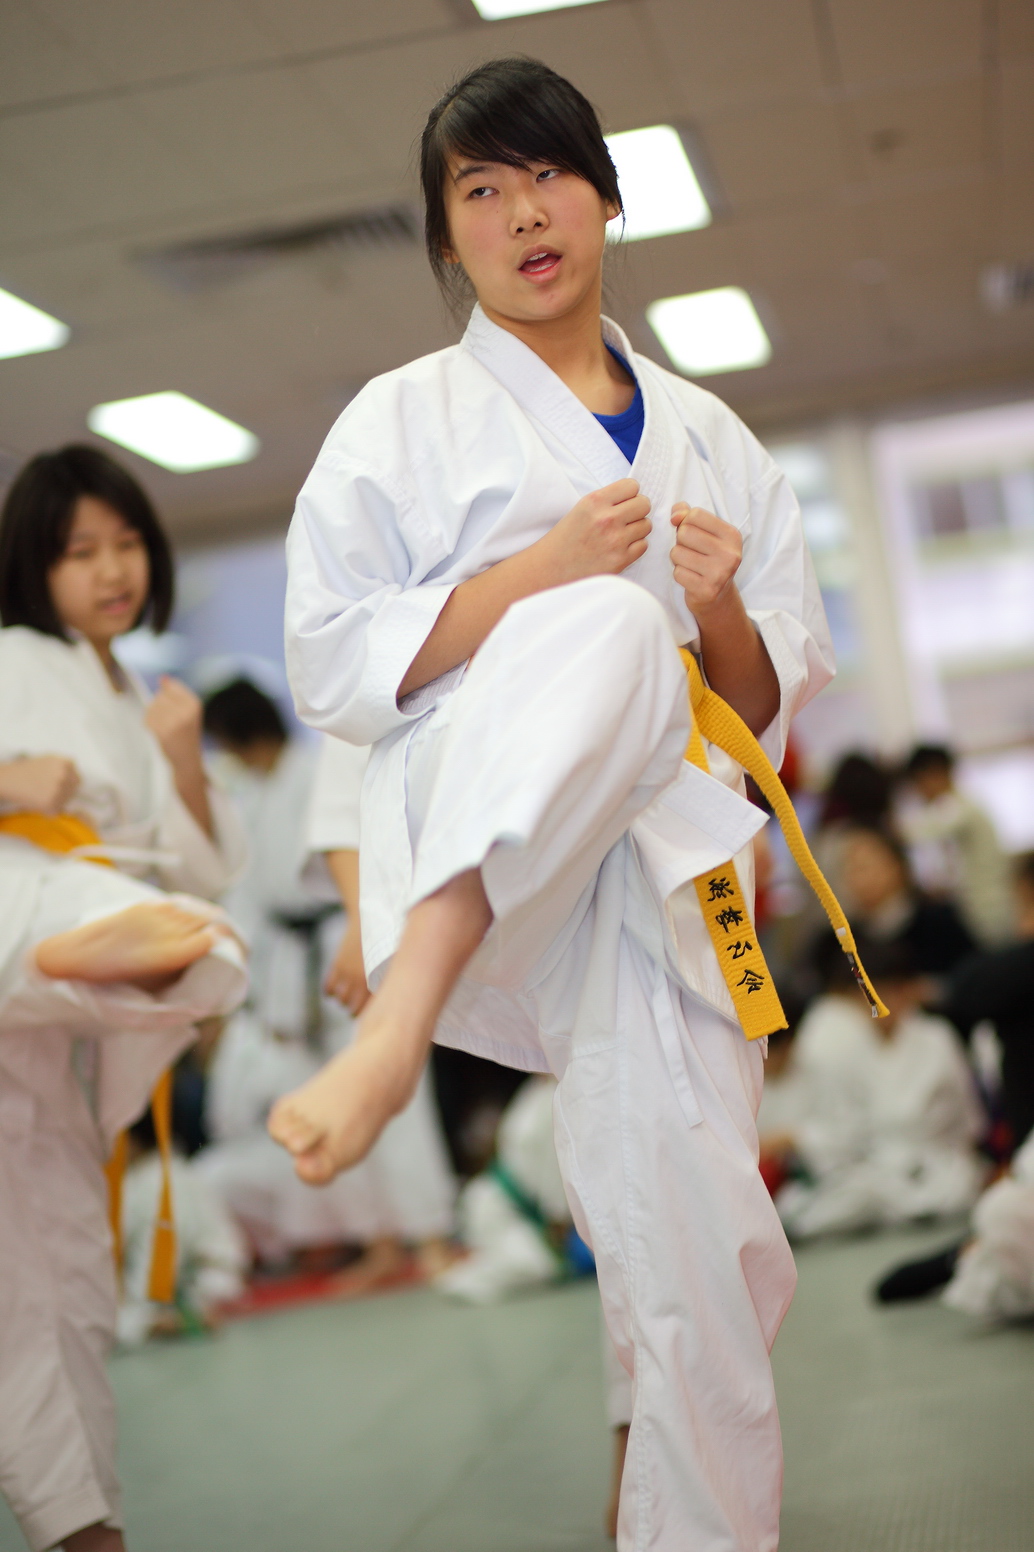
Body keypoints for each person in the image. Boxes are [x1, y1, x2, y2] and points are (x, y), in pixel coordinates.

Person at [271, 58, 835, 1551]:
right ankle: (399, 1018)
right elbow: (329, 660)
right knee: (600, 628)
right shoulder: (398, 421)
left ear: (605, 197)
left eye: (548, 175)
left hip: (671, 860)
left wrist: (720, 613)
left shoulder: (713, 436)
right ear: (445, 235)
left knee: (712, 1250)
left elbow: (761, 709)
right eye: (482, 189)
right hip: (489, 840)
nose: (523, 213)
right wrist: (539, 577)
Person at [0, 444, 247, 1552]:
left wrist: (183, 756)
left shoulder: (137, 693)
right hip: (30, 900)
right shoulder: (12, 655)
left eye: (127, 543)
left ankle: (84, 1527)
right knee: (25, 1288)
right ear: (32, 566)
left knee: (69, 1278)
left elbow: (198, 863)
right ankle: (74, 946)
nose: (112, 570)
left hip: (60, 1027)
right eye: (79, 551)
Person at [0, 839, 246, 1552]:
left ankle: (41, 964)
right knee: (46, 1298)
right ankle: (41, 963)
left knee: (58, 1292)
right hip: (49, 892)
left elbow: (199, 854)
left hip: (52, 887)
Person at [198, 688, 456, 1289]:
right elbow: (251, 900)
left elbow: (368, 859)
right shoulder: (254, 795)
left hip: (348, 934)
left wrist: (365, 932)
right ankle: (379, 1241)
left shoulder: (313, 771)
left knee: (394, 1091)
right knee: (331, 1108)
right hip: (295, 970)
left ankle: (432, 1236)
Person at [775, 939, 985, 1239]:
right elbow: (843, 1129)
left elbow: (969, 1119)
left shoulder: (936, 1037)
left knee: (952, 1186)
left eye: (886, 992)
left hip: (936, 1167)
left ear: (907, 991)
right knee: (853, 1195)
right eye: (865, 995)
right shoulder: (849, 1042)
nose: (874, 1005)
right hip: (871, 1174)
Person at [897, 743, 1013, 945]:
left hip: (989, 907)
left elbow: (918, 831)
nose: (919, 792)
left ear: (935, 774)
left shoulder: (960, 807)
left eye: (917, 783)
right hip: (980, 905)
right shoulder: (959, 805)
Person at [838, 824, 977, 988]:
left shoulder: (938, 922)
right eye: (849, 868)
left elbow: (972, 977)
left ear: (896, 865)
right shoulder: (842, 939)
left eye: (863, 867)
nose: (856, 878)